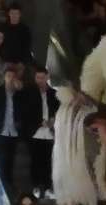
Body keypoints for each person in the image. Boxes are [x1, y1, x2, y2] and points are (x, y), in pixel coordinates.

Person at [22, 68, 60, 196]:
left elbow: (58, 111)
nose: (40, 81)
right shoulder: (29, 93)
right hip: (35, 131)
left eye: (42, 78)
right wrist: (39, 122)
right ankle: (36, 185)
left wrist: (53, 120)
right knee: (35, 160)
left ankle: (48, 186)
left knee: (49, 160)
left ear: (47, 77)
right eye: (37, 78)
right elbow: (26, 112)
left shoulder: (54, 94)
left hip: (50, 131)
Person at [1, 3, 33, 68]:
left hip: (19, 62)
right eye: (12, 13)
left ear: (20, 14)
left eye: (16, 13)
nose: (14, 16)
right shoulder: (3, 28)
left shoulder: (25, 29)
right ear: (9, 14)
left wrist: (22, 62)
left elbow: (27, 47)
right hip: (5, 62)